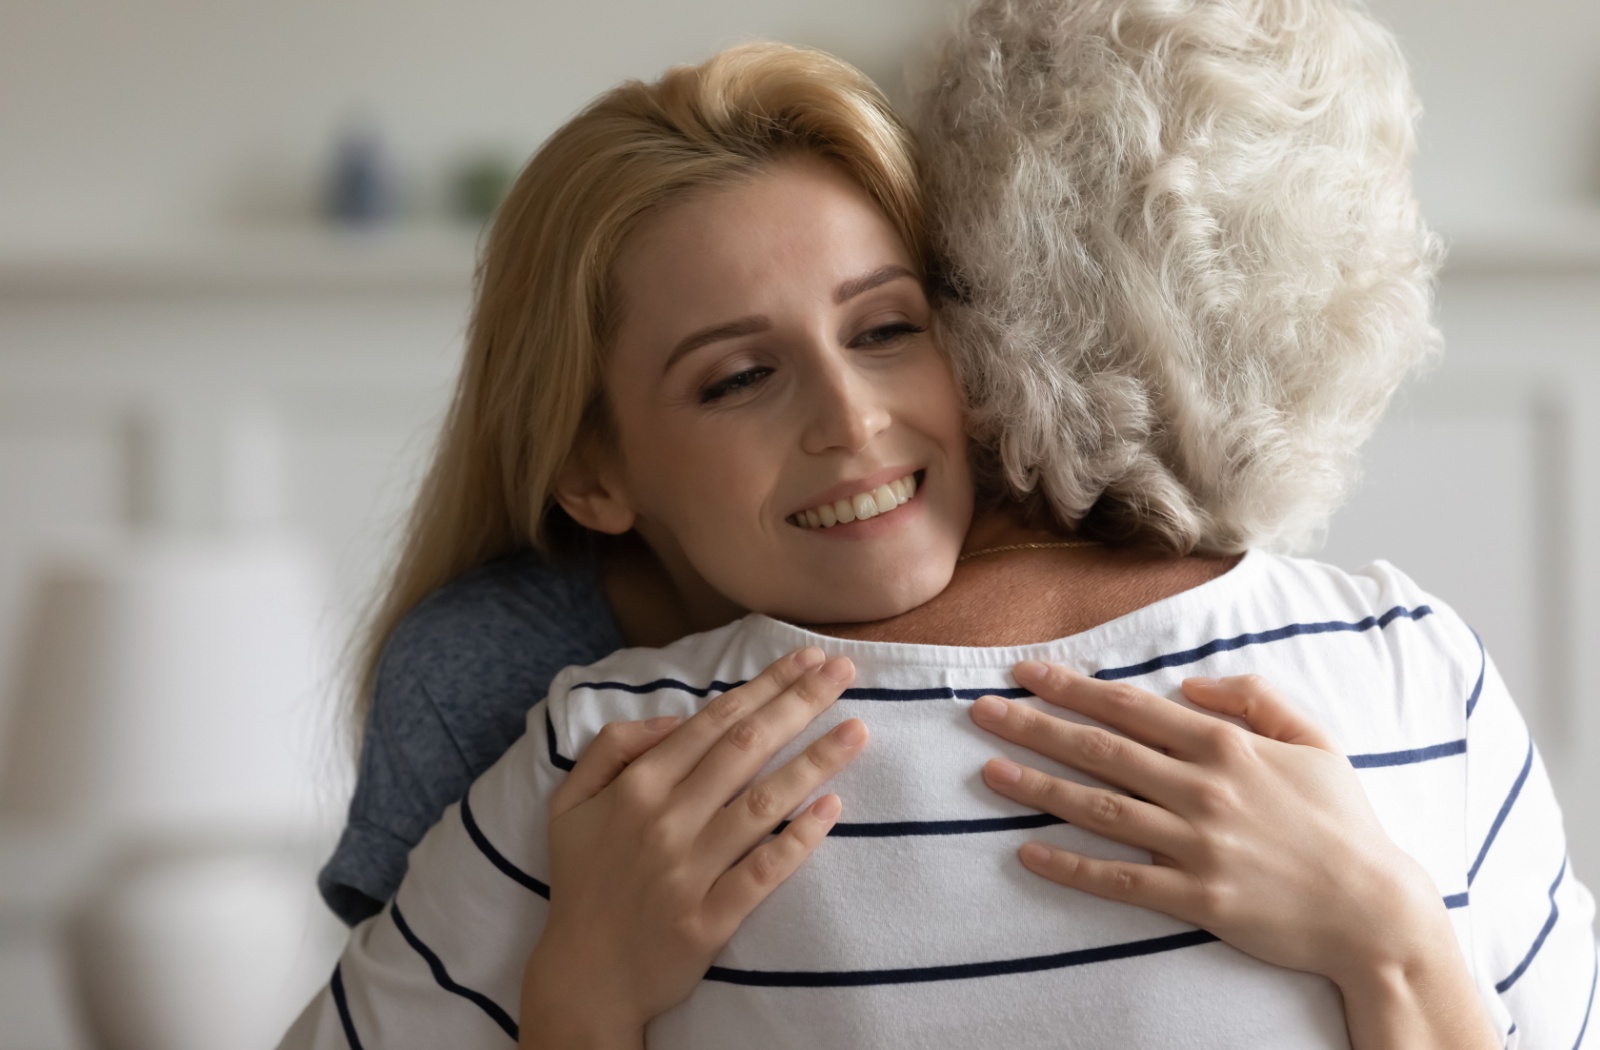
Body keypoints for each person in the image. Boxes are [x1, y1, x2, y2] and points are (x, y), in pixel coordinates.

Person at [283, 4, 1594, 1046]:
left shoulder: (1411, 684)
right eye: (738, 376)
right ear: (593, 474)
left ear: (980, 323)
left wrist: (1394, 937)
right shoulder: (590, 763)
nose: (851, 420)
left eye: (887, 327)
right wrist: (580, 1000)